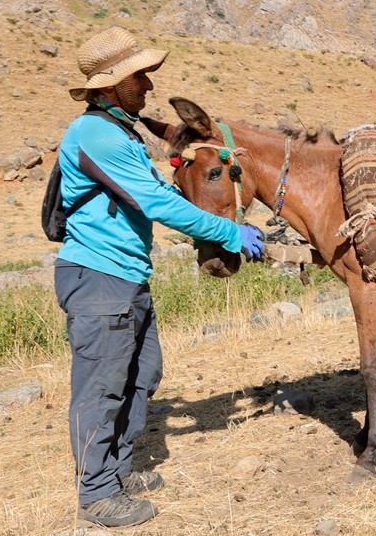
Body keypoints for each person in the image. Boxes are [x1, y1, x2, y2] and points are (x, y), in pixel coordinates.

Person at [53, 26, 264, 528]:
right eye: (139, 77)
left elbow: (161, 188)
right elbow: (155, 202)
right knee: (102, 386)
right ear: (111, 86)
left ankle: (118, 470)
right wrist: (229, 233)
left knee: (142, 374)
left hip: (125, 276)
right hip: (98, 277)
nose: (148, 84)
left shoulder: (121, 133)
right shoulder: (95, 134)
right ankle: (97, 495)